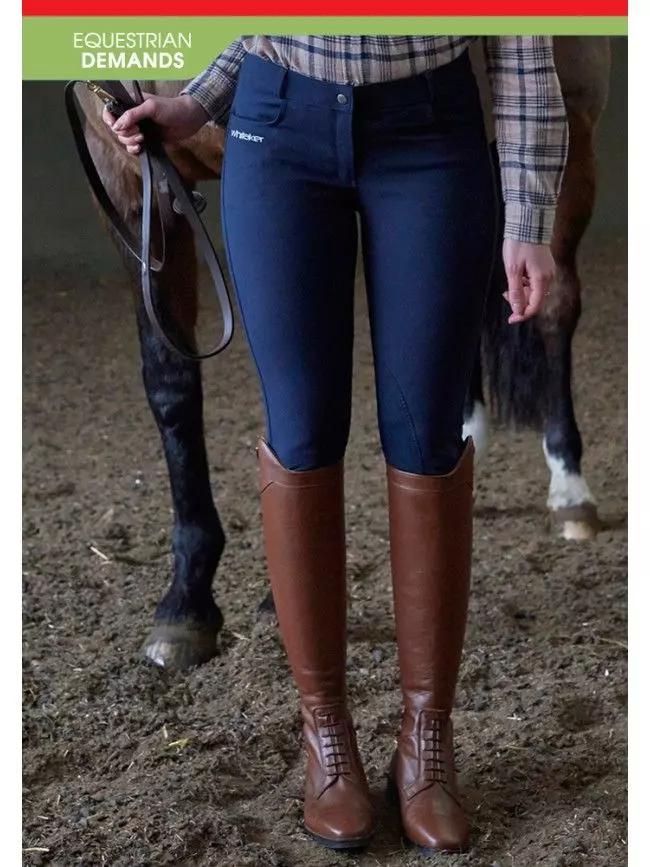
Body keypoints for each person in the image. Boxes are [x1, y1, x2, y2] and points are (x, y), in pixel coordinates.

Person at [106, 36, 567, 854]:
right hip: (276, 127)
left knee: (427, 438)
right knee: (301, 432)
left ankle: (426, 743)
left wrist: (528, 219)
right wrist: (199, 100)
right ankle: (327, 736)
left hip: (431, 130)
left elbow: (524, 39)